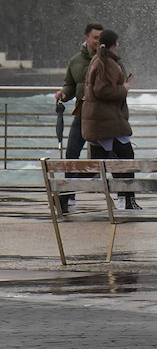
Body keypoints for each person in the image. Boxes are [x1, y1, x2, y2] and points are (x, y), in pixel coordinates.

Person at [81, 28, 139, 210]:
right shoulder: (106, 63)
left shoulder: (98, 60)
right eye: (117, 43)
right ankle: (127, 200)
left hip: (101, 122)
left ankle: (121, 199)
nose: (119, 46)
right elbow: (102, 90)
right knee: (126, 158)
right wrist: (125, 88)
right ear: (113, 45)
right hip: (109, 123)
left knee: (104, 163)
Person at [53, 23, 102, 212]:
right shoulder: (76, 61)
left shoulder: (107, 60)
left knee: (110, 156)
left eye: (100, 38)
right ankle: (69, 195)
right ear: (86, 38)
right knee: (71, 154)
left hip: (101, 117)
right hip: (81, 113)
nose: (98, 41)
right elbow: (70, 85)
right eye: (95, 37)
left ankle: (124, 195)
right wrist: (63, 94)